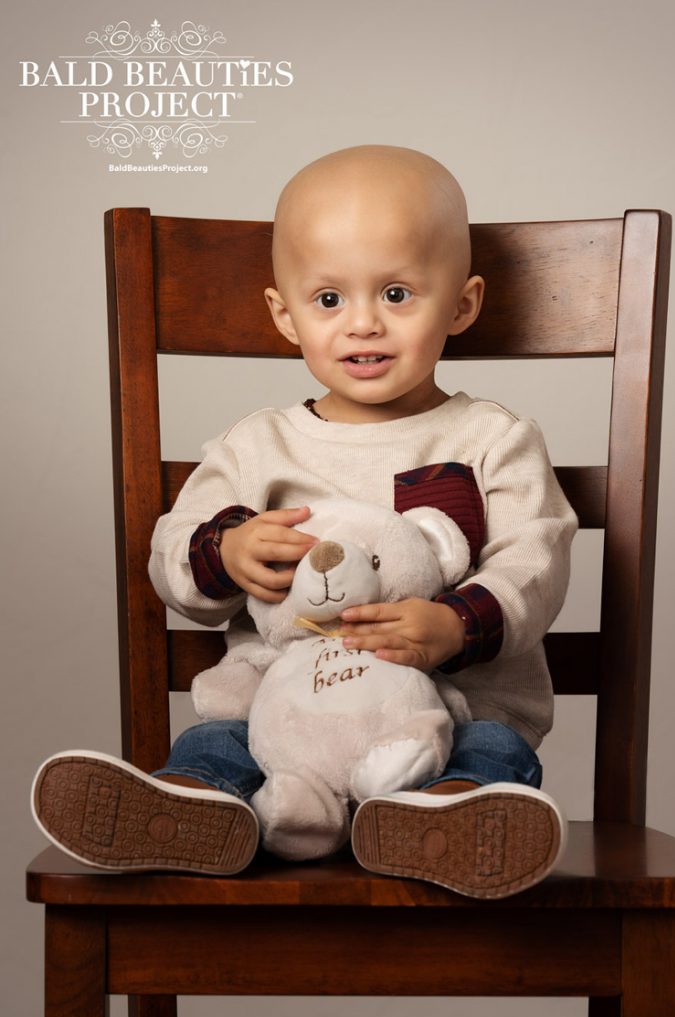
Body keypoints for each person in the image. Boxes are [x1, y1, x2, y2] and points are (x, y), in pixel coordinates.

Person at [32, 145, 577, 899]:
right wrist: (227, 551)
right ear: (284, 315)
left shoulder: (492, 439)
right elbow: (172, 561)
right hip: (280, 722)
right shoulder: (256, 448)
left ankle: (445, 820)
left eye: (396, 293)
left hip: (453, 716)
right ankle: (187, 808)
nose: (362, 324)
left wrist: (456, 624)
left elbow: (535, 560)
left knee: (490, 749)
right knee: (215, 742)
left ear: (461, 303)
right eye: (327, 299)